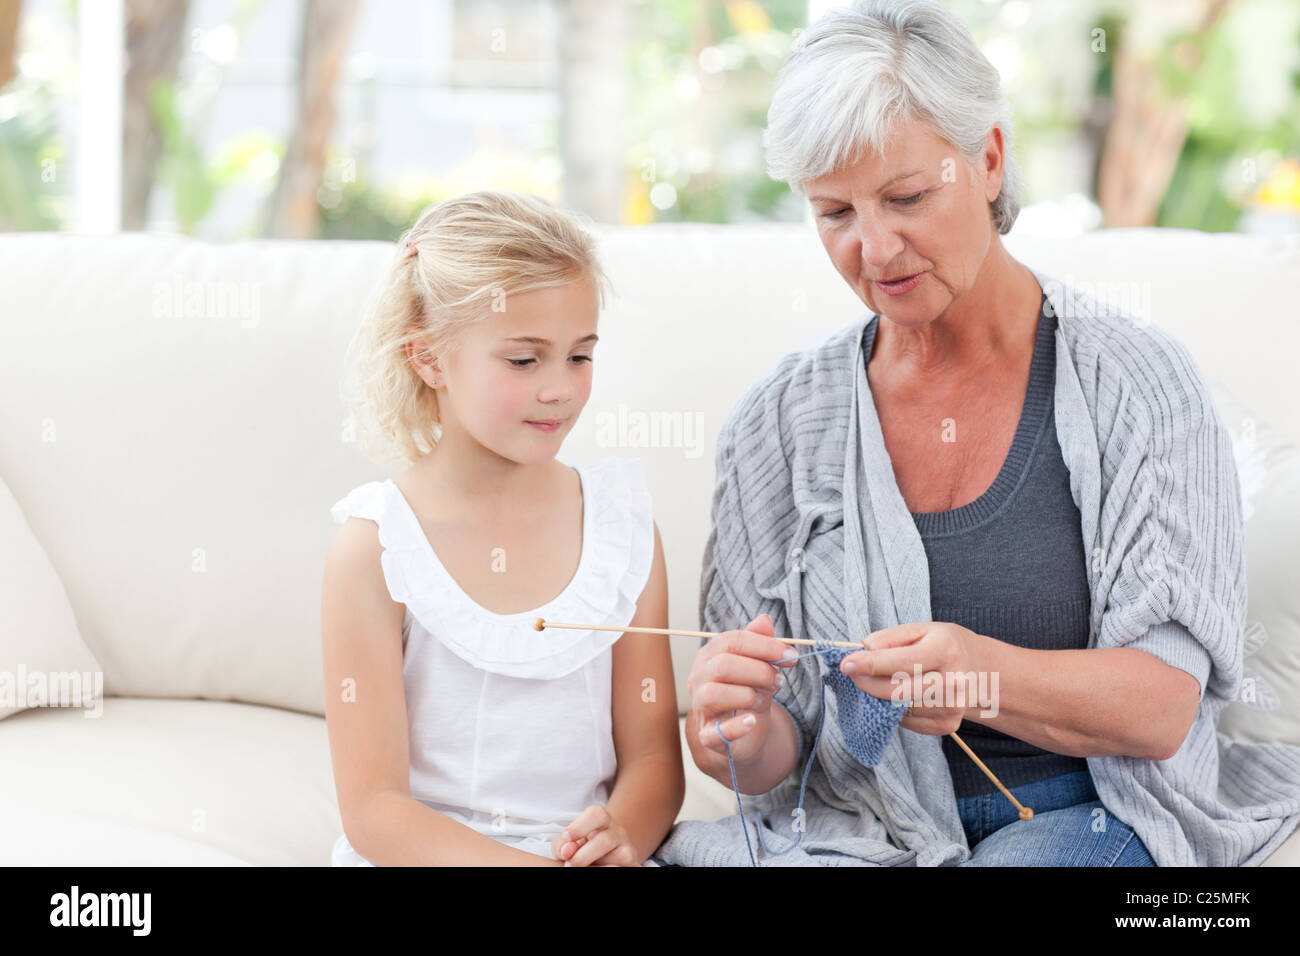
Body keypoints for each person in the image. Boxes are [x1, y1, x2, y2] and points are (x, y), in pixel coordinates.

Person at [655, 0, 1300, 866]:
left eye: (907, 196)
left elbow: (1161, 707)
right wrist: (738, 724)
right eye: (834, 213)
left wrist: (979, 671)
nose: (875, 249)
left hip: (1089, 814)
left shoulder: (1142, 386)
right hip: (864, 833)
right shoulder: (776, 428)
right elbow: (775, 768)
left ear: (988, 160)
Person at [321, 190, 682, 866]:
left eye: (580, 356)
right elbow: (375, 809)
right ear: (428, 359)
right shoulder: (373, 547)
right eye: (524, 360)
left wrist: (620, 839)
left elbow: (656, 760)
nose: (561, 388)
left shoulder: (623, 530)